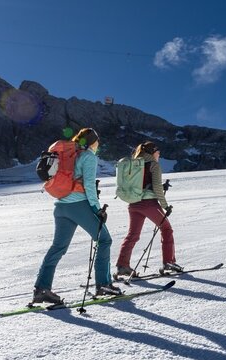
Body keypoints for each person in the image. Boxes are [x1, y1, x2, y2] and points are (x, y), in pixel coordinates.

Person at [33, 128, 122, 304]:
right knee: (104, 240)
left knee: (58, 247)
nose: (98, 144)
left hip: (61, 207)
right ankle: (103, 284)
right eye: (97, 141)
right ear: (92, 142)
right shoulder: (88, 156)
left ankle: (41, 289)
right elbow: (89, 185)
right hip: (78, 205)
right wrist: (97, 210)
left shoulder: (70, 154)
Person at [115, 142, 182, 277]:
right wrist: (165, 206)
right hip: (148, 204)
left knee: (133, 235)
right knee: (167, 229)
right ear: (152, 152)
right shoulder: (153, 165)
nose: (159, 154)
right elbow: (156, 187)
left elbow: (143, 183)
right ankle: (169, 262)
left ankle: (122, 265)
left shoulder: (135, 164)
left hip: (133, 204)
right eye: (158, 152)